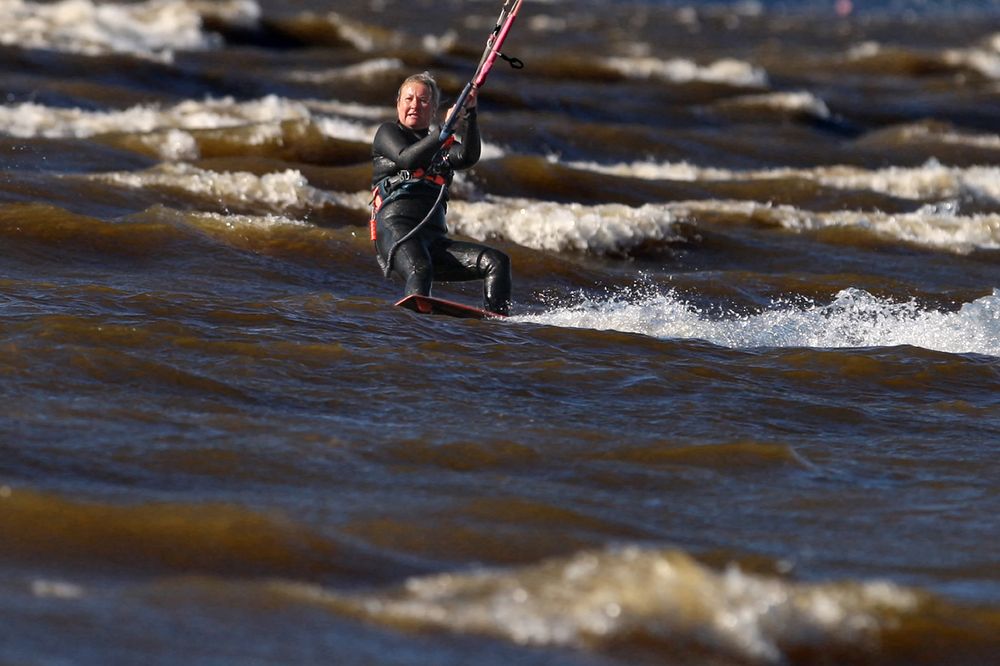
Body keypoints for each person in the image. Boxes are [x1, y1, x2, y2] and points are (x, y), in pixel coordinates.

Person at [370, 71, 512, 315]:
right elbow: (408, 159)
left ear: (433, 107)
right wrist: (443, 131)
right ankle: (414, 334)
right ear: (398, 103)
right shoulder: (388, 134)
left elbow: (467, 156)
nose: (414, 105)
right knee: (420, 269)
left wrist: (469, 115)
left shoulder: (442, 147)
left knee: (497, 262)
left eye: (423, 100)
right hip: (396, 230)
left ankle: (499, 329)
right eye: (409, 99)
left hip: (434, 239)